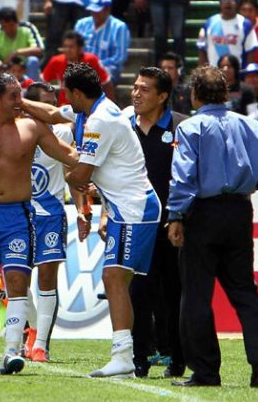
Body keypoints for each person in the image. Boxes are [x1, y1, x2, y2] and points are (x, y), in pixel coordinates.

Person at [20, 62, 163, 379]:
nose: (62, 100)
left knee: (115, 279)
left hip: (133, 209)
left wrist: (66, 167)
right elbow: (55, 114)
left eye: (64, 93)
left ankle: (125, 356)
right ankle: (129, 353)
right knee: (118, 281)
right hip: (126, 207)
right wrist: (20, 102)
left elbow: (81, 173)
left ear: (74, 92)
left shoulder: (100, 121)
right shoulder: (91, 110)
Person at [0, 73, 78, 375]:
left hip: (18, 214)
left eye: (20, 94)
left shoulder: (31, 126)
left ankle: (13, 351)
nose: (19, 100)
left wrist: (101, 157)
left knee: (17, 281)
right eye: (13, 95)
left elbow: (68, 155)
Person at [166, 65, 258, 388]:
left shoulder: (190, 127)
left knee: (197, 295)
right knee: (245, 291)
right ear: (226, 93)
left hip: (202, 213)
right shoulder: (251, 125)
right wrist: (246, 184)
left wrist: (176, 215)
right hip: (240, 210)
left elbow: (184, 175)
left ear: (195, 94)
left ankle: (206, 370)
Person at [120, 67, 188, 378]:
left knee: (175, 293)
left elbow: (188, 178)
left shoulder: (183, 128)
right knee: (138, 294)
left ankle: (177, 357)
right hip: (136, 225)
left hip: (173, 227)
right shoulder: (123, 127)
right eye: (135, 87)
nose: (136, 93)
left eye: (144, 89)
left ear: (162, 96)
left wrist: (181, 218)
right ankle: (139, 358)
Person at [21, 82, 74, 363]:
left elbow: (72, 167)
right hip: (19, 212)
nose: (53, 109)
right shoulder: (17, 131)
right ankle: (31, 329)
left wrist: (82, 207)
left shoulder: (63, 130)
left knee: (47, 278)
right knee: (15, 278)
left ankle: (41, 344)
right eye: (47, 103)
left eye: (55, 102)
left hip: (51, 214)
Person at [42, 30, 115, 104]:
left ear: (80, 49)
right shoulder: (56, 61)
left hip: (89, 108)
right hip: (65, 107)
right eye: (65, 46)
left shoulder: (91, 60)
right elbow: (43, 81)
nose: (67, 50)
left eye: (71, 47)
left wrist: (110, 106)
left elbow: (107, 83)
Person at [75, 0, 130, 84]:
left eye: (97, 11)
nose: (94, 14)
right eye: (92, 10)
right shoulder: (81, 24)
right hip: (82, 66)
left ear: (107, 10)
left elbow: (120, 56)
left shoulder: (119, 27)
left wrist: (97, 64)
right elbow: (74, 48)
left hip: (107, 67)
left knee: (100, 77)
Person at [197, 0, 258, 67]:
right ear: (220, 2)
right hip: (214, 74)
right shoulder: (210, 23)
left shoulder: (245, 24)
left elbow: (250, 52)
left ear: (237, 3)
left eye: (232, 0)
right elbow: (202, 51)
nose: (228, 2)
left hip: (237, 74)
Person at [0, 7, 45, 81]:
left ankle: (33, 89)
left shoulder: (27, 28)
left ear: (17, 22)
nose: (8, 29)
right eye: (4, 26)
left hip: (23, 67)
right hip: (4, 67)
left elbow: (39, 49)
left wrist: (16, 52)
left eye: (11, 25)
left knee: (33, 60)